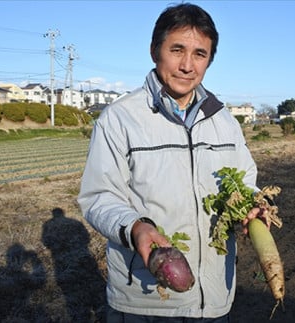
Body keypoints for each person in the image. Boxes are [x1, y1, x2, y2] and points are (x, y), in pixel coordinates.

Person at [78, 3, 269, 321]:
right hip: (146, 299)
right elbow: (99, 197)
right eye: (176, 49)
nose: (187, 65)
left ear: (209, 60)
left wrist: (251, 203)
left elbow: (244, 180)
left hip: (213, 299)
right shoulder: (121, 119)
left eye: (200, 54)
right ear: (155, 51)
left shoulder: (223, 120)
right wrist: (136, 228)